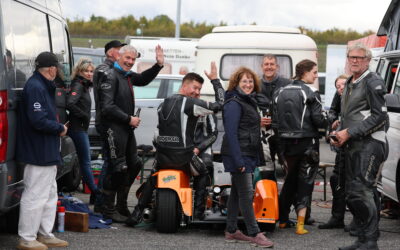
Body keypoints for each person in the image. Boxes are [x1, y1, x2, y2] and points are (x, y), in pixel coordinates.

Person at [126, 62, 224, 226]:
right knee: (204, 173)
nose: (197, 92)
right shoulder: (191, 103)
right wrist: (215, 81)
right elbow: (220, 104)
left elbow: (158, 133)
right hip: (184, 158)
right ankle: (199, 213)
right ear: (184, 86)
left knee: (152, 179)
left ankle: (136, 214)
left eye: (199, 89)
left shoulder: (163, 103)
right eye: (194, 88)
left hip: (163, 157)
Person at [98, 44, 164, 222]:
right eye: (127, 58)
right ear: (118, 56)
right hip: (113, 127)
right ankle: (108, 211)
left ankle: (121, 206)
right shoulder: (110, 75)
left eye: (133, 60)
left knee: (134, 165)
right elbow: (107, 107)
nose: (130, 62)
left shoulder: (125, 75)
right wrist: (129, 118)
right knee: (117, 168)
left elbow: (143, 79)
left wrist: (158, 65)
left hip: (126, 127)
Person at [333, 43, 388, 250]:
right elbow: (350, 114)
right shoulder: (349, 82)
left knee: (363, 192)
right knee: (352, 193)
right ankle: (363, 239)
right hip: (352, 144)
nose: (355, 60)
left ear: (367, 60)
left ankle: (371, 241)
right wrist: (340, 131)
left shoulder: (372, 81)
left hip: (371, 144)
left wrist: (349, 132)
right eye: (351, 57)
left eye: (359, 57)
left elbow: (379, 116)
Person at [16, 52, 68, 250]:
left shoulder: (42, 86)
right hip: (38, 151)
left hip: (47, 150)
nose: (58, 72)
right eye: (57, 68)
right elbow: (38, 120)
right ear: (52, 69)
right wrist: (60, 128)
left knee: (49, 194)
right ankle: (27, 238)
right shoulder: (36, 87)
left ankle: (45, 234)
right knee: (35, 194)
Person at [222, 67, 273, 248]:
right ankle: (254, 232)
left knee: (237, 193)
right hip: (239, 154)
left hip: (247, 152)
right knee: (246, 193)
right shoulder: (234, 103)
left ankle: (231, 230)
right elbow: (231, 133)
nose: (248, 84)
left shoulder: (247, 101)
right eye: (244, 81)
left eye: (251, 81)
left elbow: (246, 127)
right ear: (236, 83)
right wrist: (238, 160)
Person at [275, 59, 327, 235]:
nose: (316, 75)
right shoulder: (311, 92)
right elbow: (319, 120)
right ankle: (300, 225)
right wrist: (330, 121)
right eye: (314, 72)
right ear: (305, 72)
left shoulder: (279, 91)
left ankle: (282, 221)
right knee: (305, 183)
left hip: (285, 145)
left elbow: (274, 120)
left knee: (289, 182)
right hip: (307, 143)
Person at [92, 40, 126, 213]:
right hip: (106, 121)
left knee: (112, 162)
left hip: (112, 122)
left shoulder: (115, 70)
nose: (122, 54)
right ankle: (100, 202)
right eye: (120, 51)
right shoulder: (104, 70)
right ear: (111, 53)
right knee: (109, 162)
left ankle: (102, 201)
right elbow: (107, 104)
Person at [66, 57, 101, 201]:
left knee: (84, 161)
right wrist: (84, 116)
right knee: (86, 161)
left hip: (80, 128)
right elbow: (70, 103)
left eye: (91, 71)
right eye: (86, 71)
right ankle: (95, 192)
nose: (89, 73)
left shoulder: (84, 85)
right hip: (77, 128)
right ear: (79, 71)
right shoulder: (79, 85)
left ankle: (94, 193)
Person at [318, 74, 349, 230]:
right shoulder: (339, 97)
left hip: (357, 147)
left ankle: (360, 222)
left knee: (355, 185)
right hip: (342, 147)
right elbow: (332, 112)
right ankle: (337, 218)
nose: (341, 88)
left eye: (343, 84)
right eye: (338, 86)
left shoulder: (356, 97)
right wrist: (333, 120)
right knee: (336, 179)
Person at [259, 54, 291, 173]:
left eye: (272, 64)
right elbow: (249, 108)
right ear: (262, 66)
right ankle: (267, 191)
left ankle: (289, 191)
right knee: (266, 168)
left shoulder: (287, 83)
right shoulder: (254, 84)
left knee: (288, 165)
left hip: (283, 132)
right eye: (266, 64)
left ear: (277, 66)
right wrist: (258, 119)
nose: (269, 67)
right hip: (263, 132)